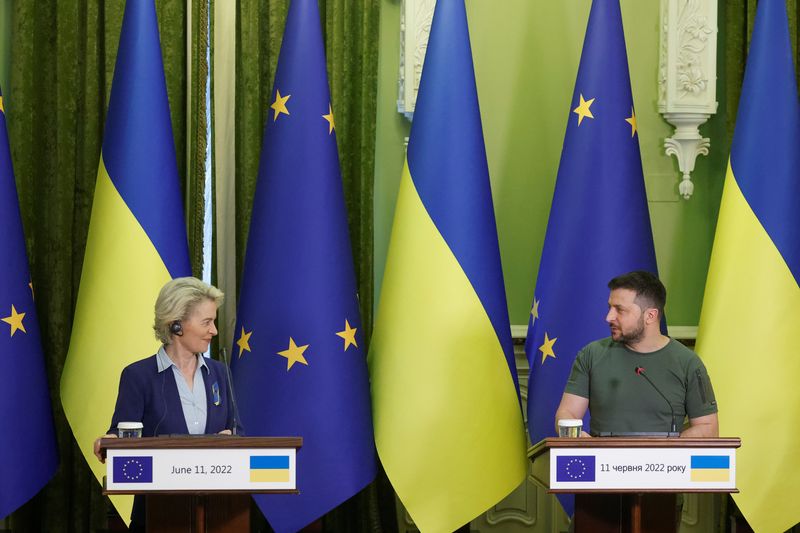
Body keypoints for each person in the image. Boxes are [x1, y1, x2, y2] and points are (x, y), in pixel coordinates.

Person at [92, 277, 238, 529]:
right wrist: (112, 442)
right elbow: (121, 434)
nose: (214, 330)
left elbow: (238, 431)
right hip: (155, 514)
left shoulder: (220, 373)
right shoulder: (138, 376)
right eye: (206, 322)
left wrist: (231, 437)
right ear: (177, 325)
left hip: (218, 515)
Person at [555, 271, 718, 437]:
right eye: (609, 308)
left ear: (650, 316)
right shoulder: (591, 354)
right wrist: (579, 439)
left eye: (620, 310)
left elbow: (707, 428)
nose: (608, 317)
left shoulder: (687, 362)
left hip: (662, 462)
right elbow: (567, 413)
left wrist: (670, 453)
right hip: (603, 460)